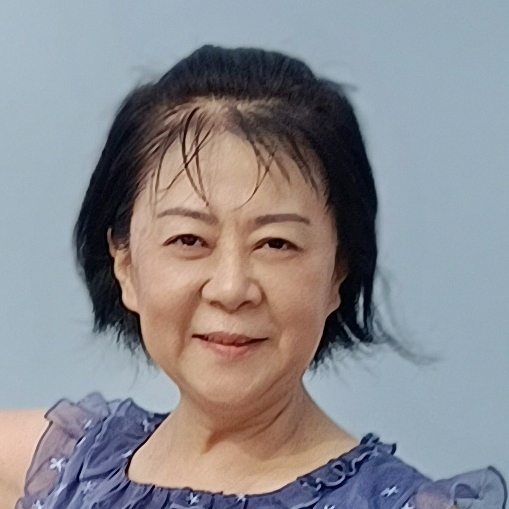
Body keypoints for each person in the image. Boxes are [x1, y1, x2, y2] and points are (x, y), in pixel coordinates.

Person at [0, 45, 506, 509]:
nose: (231, 288)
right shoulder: (58, 468)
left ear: (338, 272)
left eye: (276, 244)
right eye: (189, 240)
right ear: (125, 265)